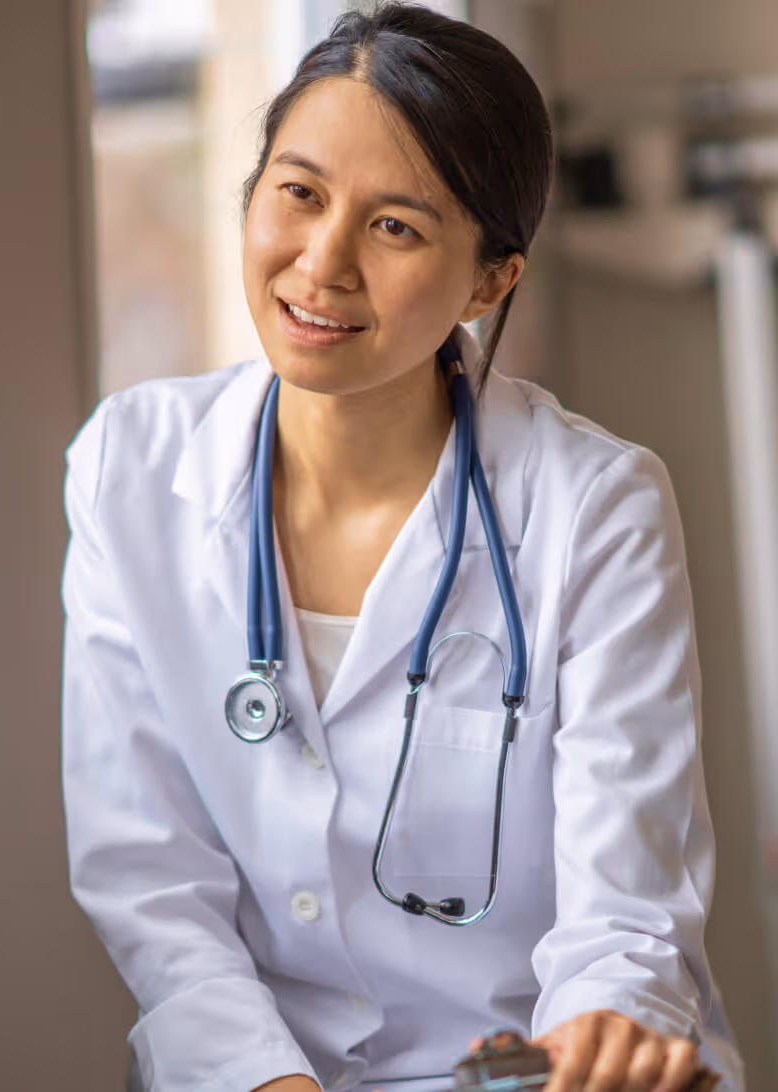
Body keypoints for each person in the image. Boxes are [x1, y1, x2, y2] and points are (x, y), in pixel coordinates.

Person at [61, 5, 745, 1092]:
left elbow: (623, 915)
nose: (321, 263)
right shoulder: (130, 473)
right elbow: (152, 888)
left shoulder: (595, 508)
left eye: (395, 227)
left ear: (489, 283)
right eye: (298, 193)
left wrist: (596, 1042)